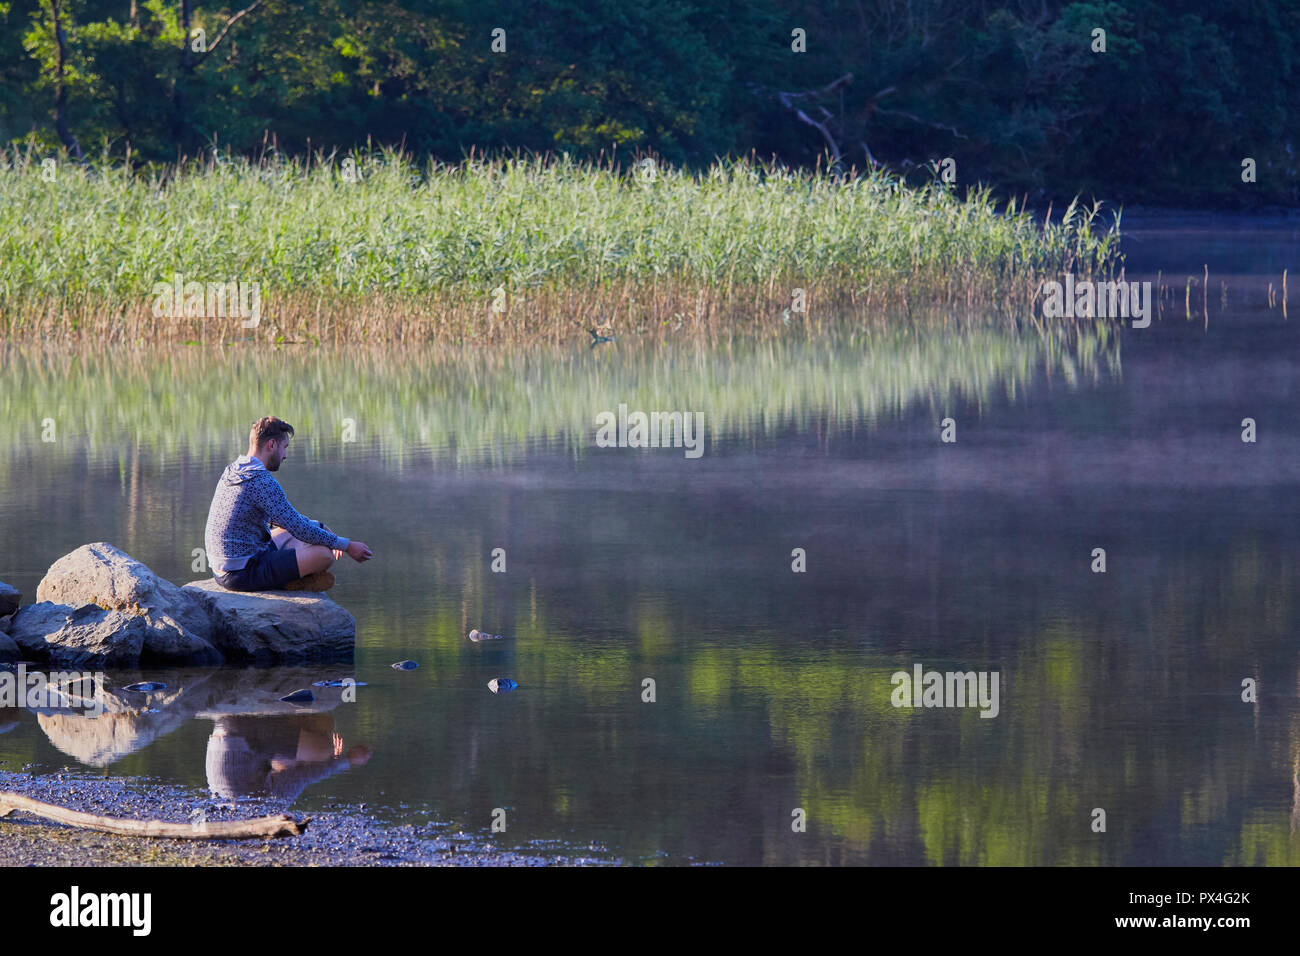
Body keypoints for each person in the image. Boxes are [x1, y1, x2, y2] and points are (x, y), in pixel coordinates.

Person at [204, 416, 372, 591]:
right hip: (242, 572)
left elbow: (291, 522)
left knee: (314, 529)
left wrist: (331, 537)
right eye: (284, 448)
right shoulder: (260, 481)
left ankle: (292, 575)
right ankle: (291, 582)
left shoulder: (234, 470)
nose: (285, 455)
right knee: (324, 555)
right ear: (271, 445)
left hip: (229, 567)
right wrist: (348, 546)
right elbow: (299, 528)